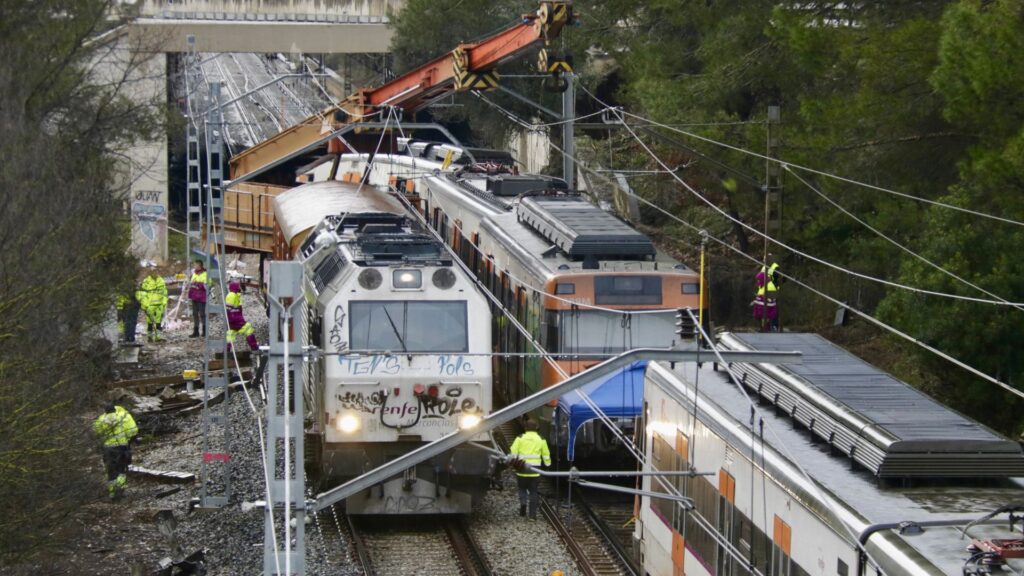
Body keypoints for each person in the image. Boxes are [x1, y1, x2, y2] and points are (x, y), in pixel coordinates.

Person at [92, 402, 138, 500]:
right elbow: (133, 431)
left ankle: (112, 493)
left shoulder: (100, 420)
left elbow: (95, 433)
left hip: (107, 449)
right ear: (115, 409)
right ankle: (120, 487)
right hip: (122, 447)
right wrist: (129, 439)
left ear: (105, 411)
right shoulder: (124, 416)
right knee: (122, 468)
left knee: (111, 471)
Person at [510, 419, 551, 520]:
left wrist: (514, 462)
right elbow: (546, 454)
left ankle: (523, 503)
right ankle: (532, 516)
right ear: (536, 427)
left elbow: (513, 451)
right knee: (533, 492)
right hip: (535, 470)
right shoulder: (541, 439)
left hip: (522, 468)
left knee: (522, 488)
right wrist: (548, 464)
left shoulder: (520, 438)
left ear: (525, 428)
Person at [226, 280, 258, 351]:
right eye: (238, 285)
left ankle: (227, 348)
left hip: (233, 319)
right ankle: (254, 346)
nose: (240, 287)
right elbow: (229, 309)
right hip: (236, 319)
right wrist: (236, 318)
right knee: (248, 329)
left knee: (230, 333)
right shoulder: (232, 295)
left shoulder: (234, 295)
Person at [138, 272, 168, 342]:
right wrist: (144, 305)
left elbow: (164, 293)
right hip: (150, 305)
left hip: (159, 305)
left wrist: (164, 303)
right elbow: (142, 294)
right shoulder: (146, 281)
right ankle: (150, 337)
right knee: (150, 323)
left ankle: (158, 337)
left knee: (158, 323)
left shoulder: (161, 280)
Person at [188, 259, 208, 338]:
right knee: (195, 314)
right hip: (194, 297)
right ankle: (196, 331)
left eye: (195, 265)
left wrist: (197, 284)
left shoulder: (206, 274)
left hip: (201, 298)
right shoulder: (194, 274)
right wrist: (195, 284)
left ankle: (205, 331)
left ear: (199, 265)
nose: (194, 266)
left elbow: (206, 285)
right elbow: (192, 283)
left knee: (202, 314)